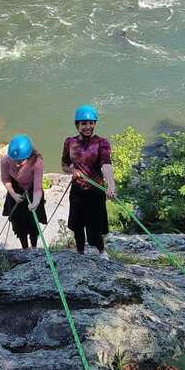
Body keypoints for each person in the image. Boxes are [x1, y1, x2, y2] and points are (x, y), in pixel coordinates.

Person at [61, 105, 116, 258]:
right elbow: (64, 164)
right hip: (77, 191)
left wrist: (111, 184)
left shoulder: (101, 143)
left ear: (95, 124)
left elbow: (106, 164)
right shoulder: (69, 142)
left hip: (96, 192)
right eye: (84, 123)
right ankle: (80, 252)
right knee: (77, 225)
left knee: (95, 226)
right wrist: (73, 171)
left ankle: (101, 251)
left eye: (91, 123)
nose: (88, 127)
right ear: (77, 125)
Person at [0, 134, 47, 249]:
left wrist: (35, 202)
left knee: (33, 224)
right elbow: (5, 179)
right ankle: (25, 248)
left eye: (21, 161)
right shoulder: (6, 161)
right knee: (19, 224)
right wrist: (13, 194)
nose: (17, 164)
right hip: (16, 193)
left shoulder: (36, 161)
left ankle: (34, 247)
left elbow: (37, 187)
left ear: (29, 156)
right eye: (14, 160)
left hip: (32, 192)